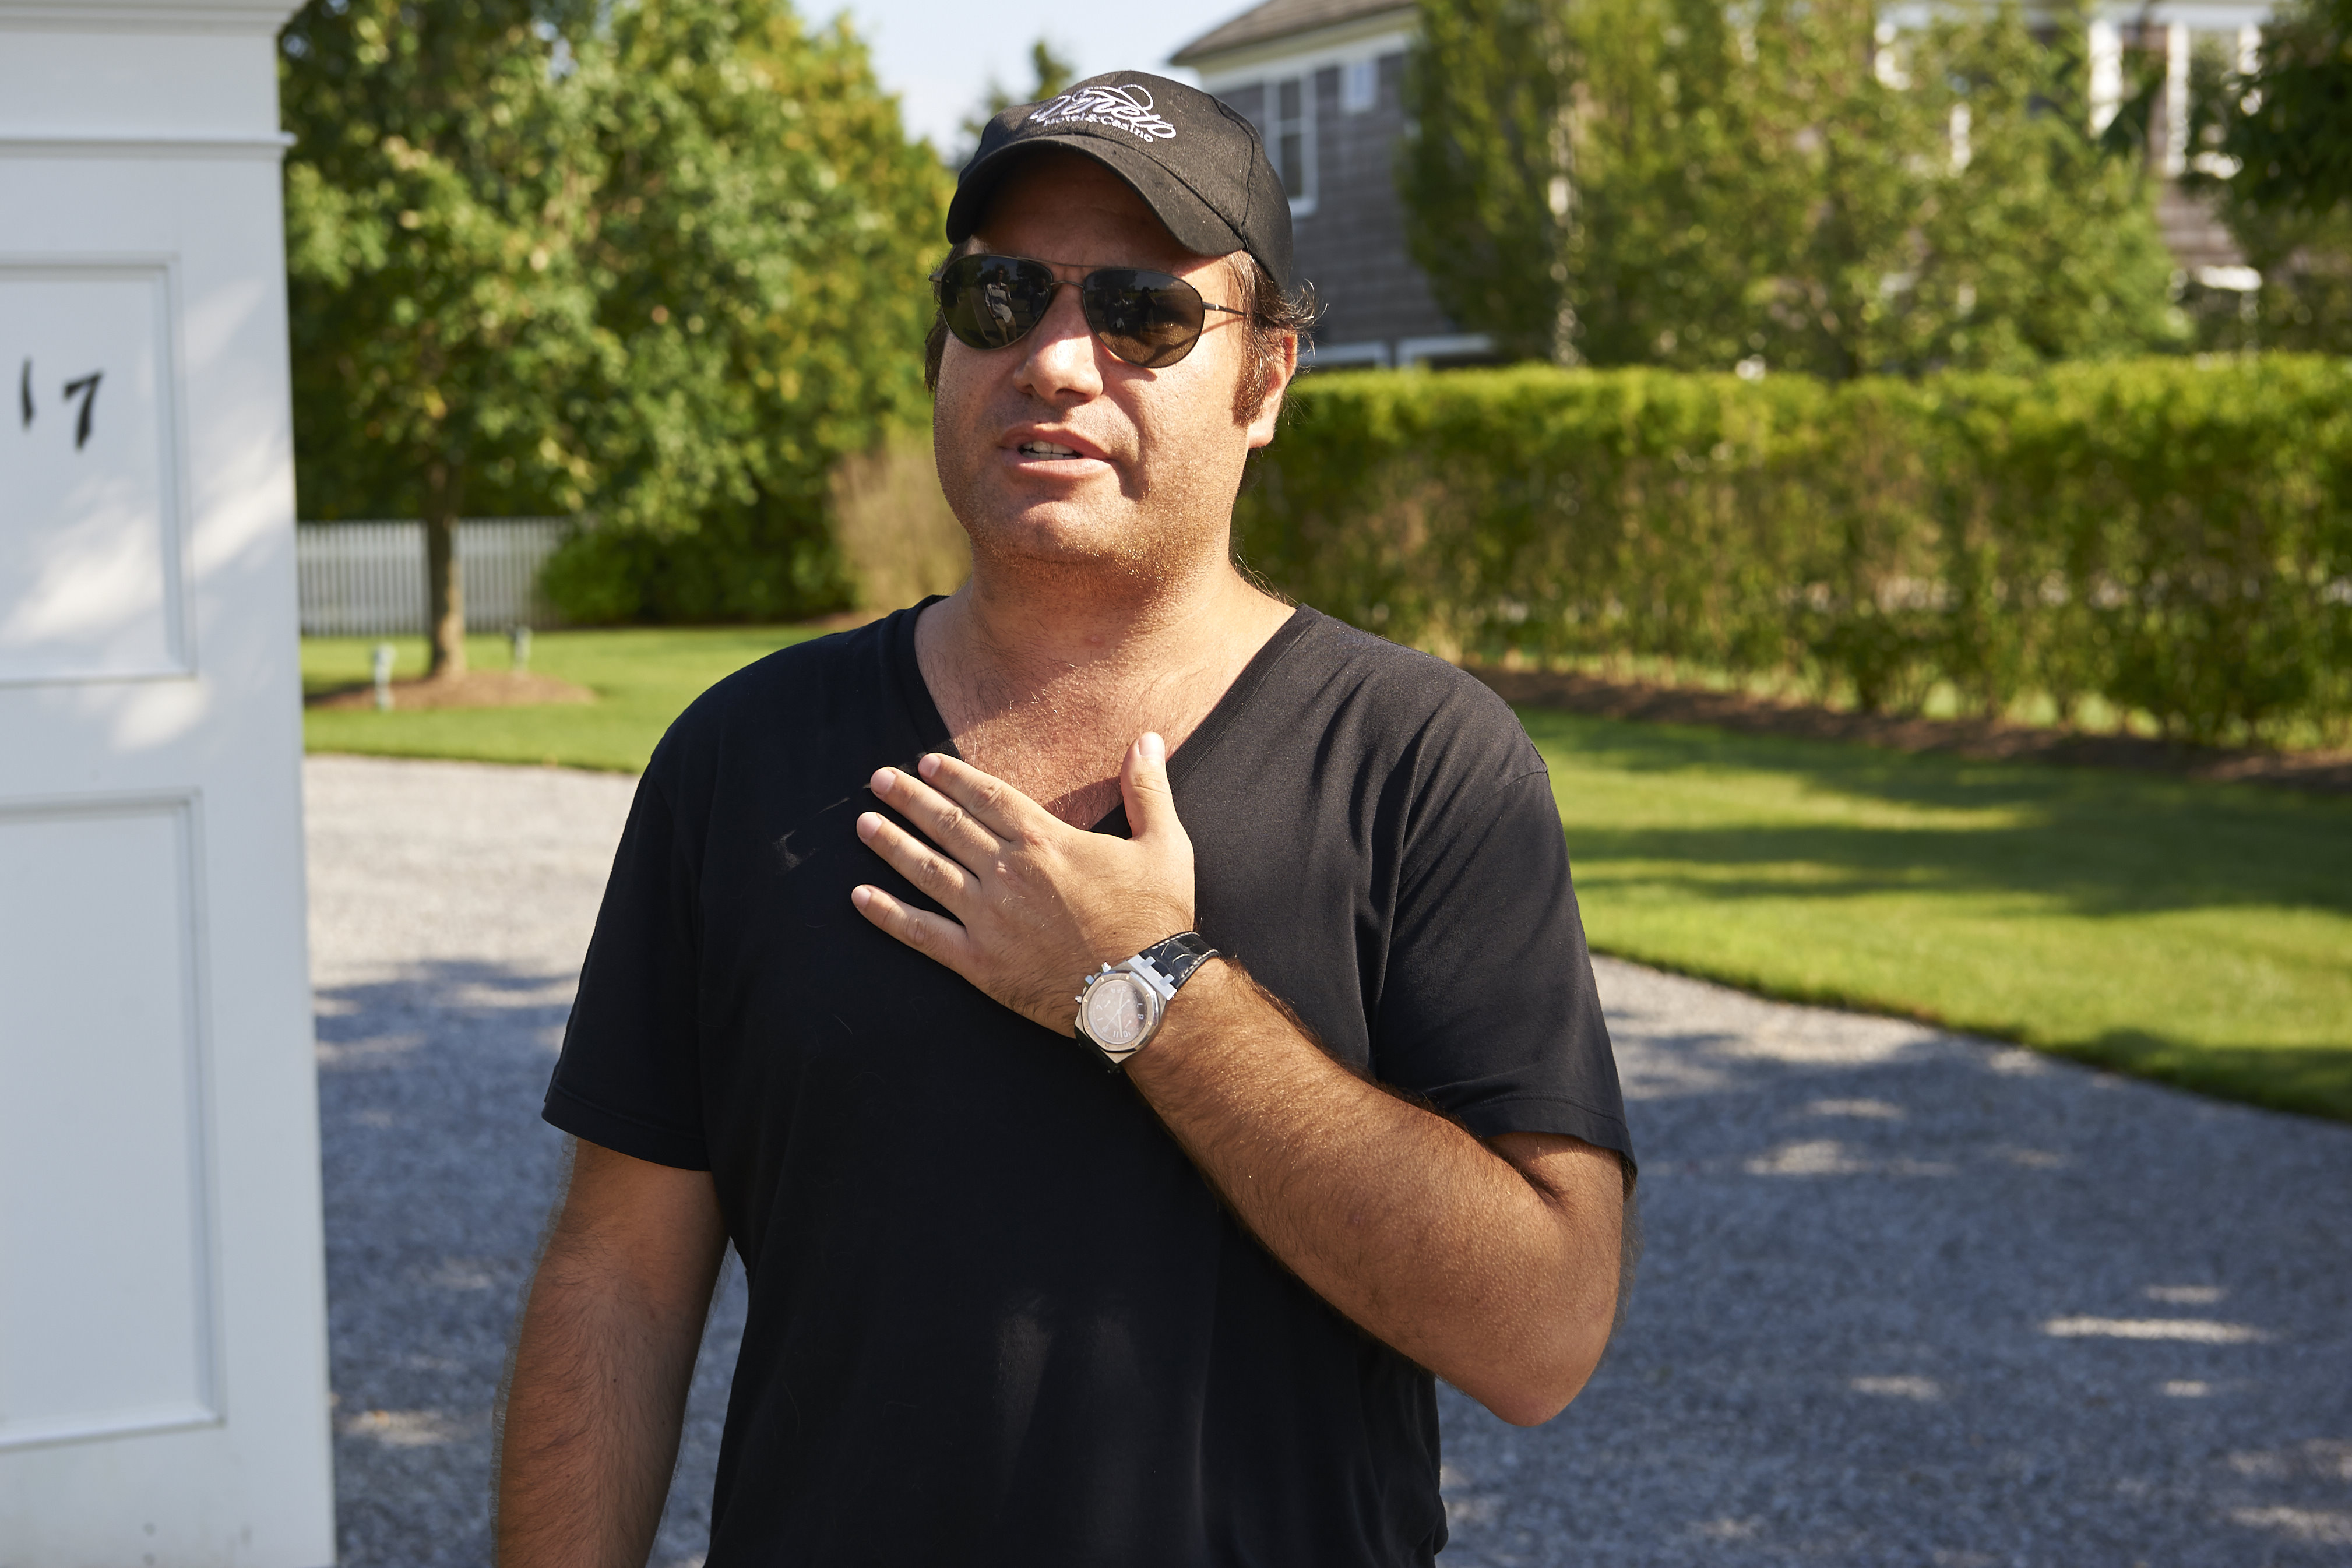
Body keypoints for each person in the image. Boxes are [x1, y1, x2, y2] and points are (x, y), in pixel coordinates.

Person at [494, 71, 1635, 1568]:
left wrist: (1147, 988)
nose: (1054, 359)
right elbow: (619, 1283)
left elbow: (1539, 1331)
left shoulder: (1418, 761)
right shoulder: (743, 757)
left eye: (1142, 313)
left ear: (1268, 377)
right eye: (1001, 295)